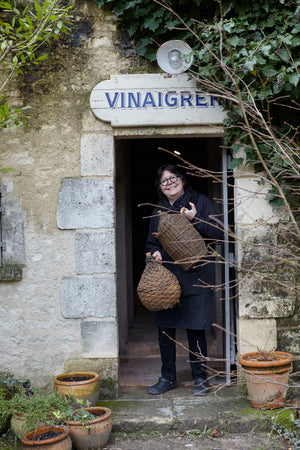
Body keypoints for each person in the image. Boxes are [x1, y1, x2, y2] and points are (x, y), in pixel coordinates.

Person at [146, 164, 223, 396]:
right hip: (168, 278)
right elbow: (152, 242)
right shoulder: (159, 208)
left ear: (182, 179)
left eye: (173, 178)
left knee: (195, 328)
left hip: (197, 274)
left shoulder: (199, 202)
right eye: (164, 181)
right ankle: (167, 377)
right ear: (160, 186)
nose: (170, 183)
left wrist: (195, 219)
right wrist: (155, 253)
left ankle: (201, 378)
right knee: (165, 329)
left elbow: (218, 235)